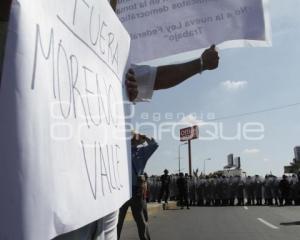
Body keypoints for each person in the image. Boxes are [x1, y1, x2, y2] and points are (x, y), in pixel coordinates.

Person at [117, 133, 158, 240]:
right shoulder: (119, 150)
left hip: (136, 191)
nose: (133, 139)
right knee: (116, 223)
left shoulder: (142, 152)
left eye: (136, 137)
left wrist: (144, 137)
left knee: (142, 222)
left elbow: (154, 145)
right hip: (120, 190)